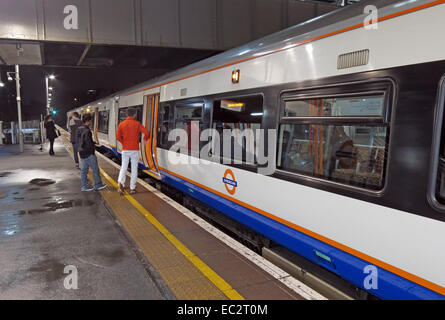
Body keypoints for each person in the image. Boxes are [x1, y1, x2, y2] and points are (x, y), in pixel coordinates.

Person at [116, 107, 149, 194]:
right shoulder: (137, 124)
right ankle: (132, 188)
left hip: (125, 150)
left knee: (123, 167)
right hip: (134, 150)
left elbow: (117, 137)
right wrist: (145, 140)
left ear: (127, 114)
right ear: (134, 115)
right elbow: (147, 132)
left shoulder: (121, 124)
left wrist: (124, 143)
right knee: (134, 169)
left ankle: (120, 184)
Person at [77, 113, 107, 192]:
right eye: (90, 121)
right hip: (89, 154)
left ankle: (84, 186)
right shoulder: (87, 131)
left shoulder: (79, 129)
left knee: (83, 171)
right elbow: (88, 143)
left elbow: (80, 141)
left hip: (82, 153)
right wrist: (92, 152)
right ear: (88, 121)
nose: (91, 122)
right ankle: (98, 184)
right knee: (95, 170)